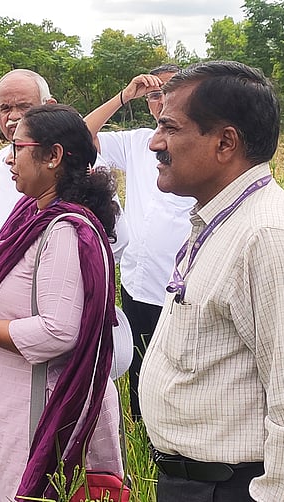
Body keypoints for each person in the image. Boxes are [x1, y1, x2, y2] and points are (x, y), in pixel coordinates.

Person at [139, 60, 284, 501]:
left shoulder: (269, 236)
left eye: (169, 128)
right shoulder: (221, 220)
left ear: (226, 142)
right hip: (194, 483)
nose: (155, 143)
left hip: (231, 488)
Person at [0, 104, 124, 500]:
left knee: (17, 488)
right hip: (11, 396)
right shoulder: (32, 213)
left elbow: (58, 331)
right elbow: (27, 287)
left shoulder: (66, 231)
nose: (7, 158)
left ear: (53, 156)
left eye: (18, 146)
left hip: (36, 405)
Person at [83, 64, 195, 422]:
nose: (161, 101)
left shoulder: (199, 143)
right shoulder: (138, 141)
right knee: (139, 366)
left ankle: (174, 437)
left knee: (179, 371)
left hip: (184, 285)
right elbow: (81, 137)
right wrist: (122, 97)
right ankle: (143, 439)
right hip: (138, 281)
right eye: (154, 95)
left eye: (168, 91)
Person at [0, 69, 57, 247]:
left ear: (49, 105)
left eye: (25, 107)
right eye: (6, 108)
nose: (14, 116)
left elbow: (112, 239)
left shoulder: (76, 161)